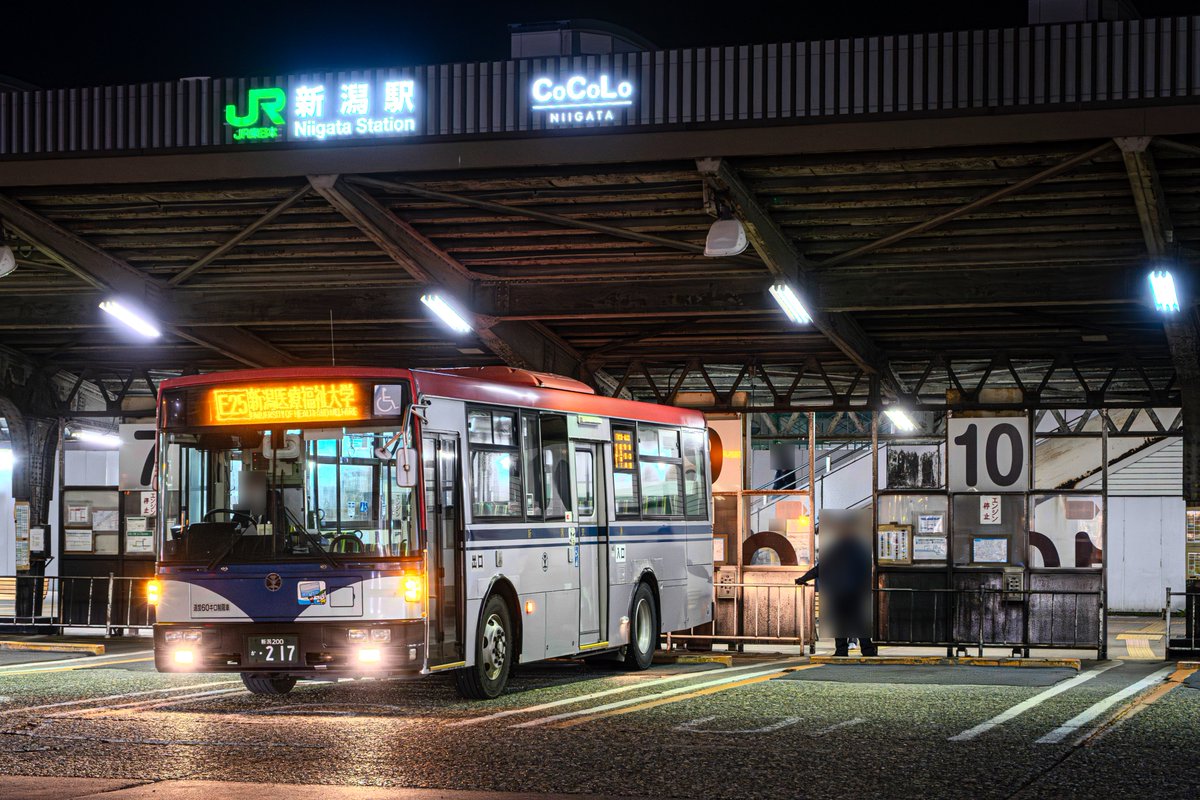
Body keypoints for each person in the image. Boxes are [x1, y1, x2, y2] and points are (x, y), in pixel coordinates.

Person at [796, 533, 878, 657]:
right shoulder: (859, 552)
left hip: (838, 593)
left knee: (840, 623)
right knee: (859, 623)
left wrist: (803, 579)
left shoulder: (833, 553)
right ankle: (867, 650)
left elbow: (819, 570)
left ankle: (841, 650)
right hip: (855, 593)